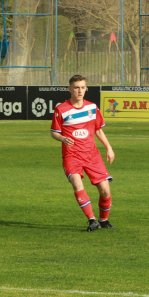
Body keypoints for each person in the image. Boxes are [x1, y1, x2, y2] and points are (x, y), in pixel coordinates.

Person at [51, 75, 116, 232]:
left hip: (92, 155)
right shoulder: (61, 109)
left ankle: (104, 220)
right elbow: (54, 132)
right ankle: (92, 220)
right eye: (76, 87)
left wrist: (109, 147)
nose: (80, 90)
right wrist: (62, 138)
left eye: (82, 87)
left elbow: (98, 130)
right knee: (77, 183)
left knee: (105, 190)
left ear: (86, 88)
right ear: (70, 89)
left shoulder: (92, 108)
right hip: (72, 155)